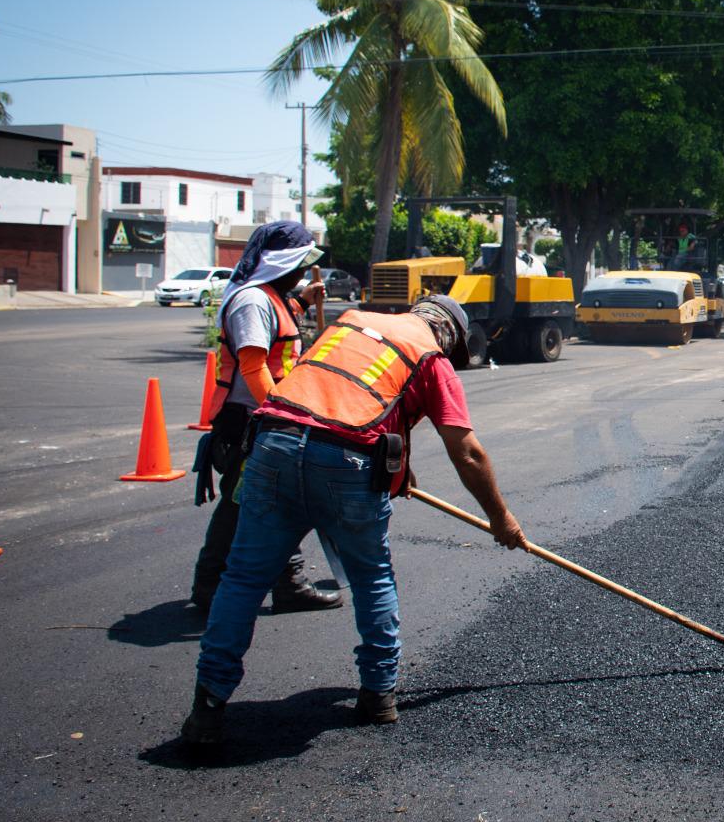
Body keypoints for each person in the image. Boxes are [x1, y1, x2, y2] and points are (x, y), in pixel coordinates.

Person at [181, 295, 528, 745]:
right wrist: (502, 519)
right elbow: (467, 451)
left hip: (273, 444)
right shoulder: (431, 358)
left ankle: (207, 708)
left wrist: (397, 467)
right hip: (343, 463)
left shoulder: (350, 324)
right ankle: (378, 695)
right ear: (448, 334)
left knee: (244, 579)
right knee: (371, 575)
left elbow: (338, 396)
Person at [189, 221, 341, 616]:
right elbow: (254, 366)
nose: (303, 271)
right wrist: (282, 416)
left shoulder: (272, 298)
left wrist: (305, 302)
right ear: (282, 263)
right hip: (252, 421)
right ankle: (210, 587)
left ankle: (285, 584)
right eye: (299, 263)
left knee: (276, 501)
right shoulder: (253, 301)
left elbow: (279, 338)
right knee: (242, 503)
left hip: (269, 417)